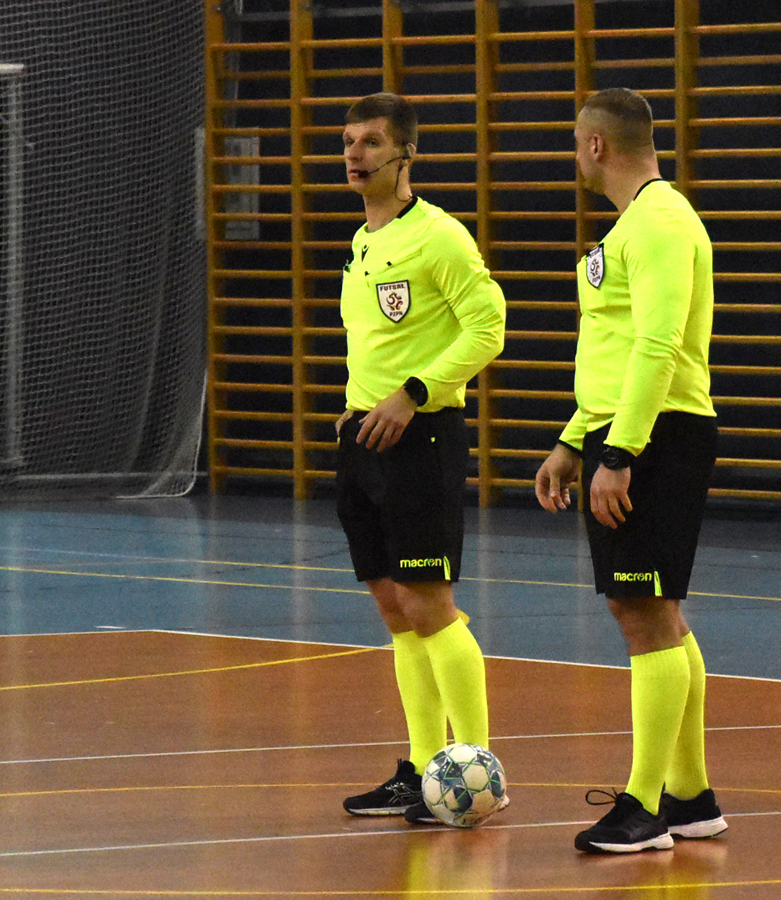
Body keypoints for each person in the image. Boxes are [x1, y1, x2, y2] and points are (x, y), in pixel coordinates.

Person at [535, 87, 725, 854]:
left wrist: (621, 454)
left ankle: (644, 806)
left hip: (659, 436)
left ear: (596, 146)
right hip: (622, 430)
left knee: (645, 613)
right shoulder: (627, 229)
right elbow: (612, 351)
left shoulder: (661, 221)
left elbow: (657, 346)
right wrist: (575, 439)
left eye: (574, 143)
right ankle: (691, 795)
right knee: (653, 614)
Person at [334, 92, 506, 826]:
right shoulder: (361, 240)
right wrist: (356, 404)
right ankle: (419, 768)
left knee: (431, 605)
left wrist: (412, 393)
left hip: (422, 440)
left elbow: (488, 328)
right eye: (348, 142)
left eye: (372, 142)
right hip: (362, 445)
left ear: (406, 154)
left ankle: (475, 769)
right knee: (395, 609)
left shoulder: (440, 237)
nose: (355, 154)